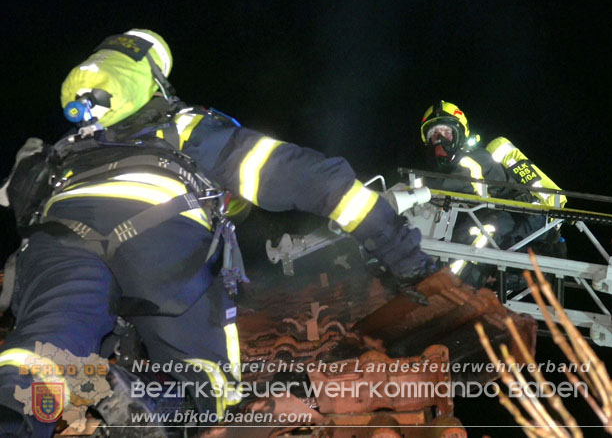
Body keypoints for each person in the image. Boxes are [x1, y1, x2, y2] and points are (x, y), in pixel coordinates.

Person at [0, 30, 436, 436]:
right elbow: (320, 181)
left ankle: (25, 411)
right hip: (160, 251)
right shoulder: (188, 127)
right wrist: (407, 261)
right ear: (156, 81)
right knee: (208, 389)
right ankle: (157, 406)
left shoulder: (67, 151)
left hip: (58, 244)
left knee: (39, 357)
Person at [418, 100, 567, 286]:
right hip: (509, 221)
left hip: (528, 218)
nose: (440, 139)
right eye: (434, 134)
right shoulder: (451, 168)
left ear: (459, 134)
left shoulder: (473, 159)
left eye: (446, 132)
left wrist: (409, 189)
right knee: (459, 232)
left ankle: (448, 286)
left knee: (476, 232)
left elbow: (450, 185)